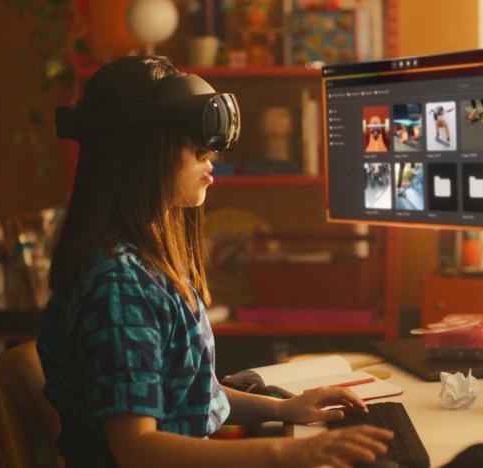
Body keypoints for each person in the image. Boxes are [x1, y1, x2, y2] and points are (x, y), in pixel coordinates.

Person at [37, 56, 392, 467]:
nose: (210, 156)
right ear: (138, 150)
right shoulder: (119, 284)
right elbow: (136, 448)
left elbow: (193, 395)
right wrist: (289, 451)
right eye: (193, 143)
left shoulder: (148, 267)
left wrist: (284, 410)